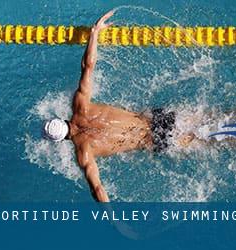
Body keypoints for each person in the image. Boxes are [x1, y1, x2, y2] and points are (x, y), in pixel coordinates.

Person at [43, 11, 195, 202]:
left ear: (61, 140)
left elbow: (97, 189)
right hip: (157, 118)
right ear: (61, 119)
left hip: (156, 140)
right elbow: (88, 66)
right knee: (211, 118)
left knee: (213, 141)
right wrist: (94, 33)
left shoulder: (84, 152)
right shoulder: (80, 105)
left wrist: (115, 221)